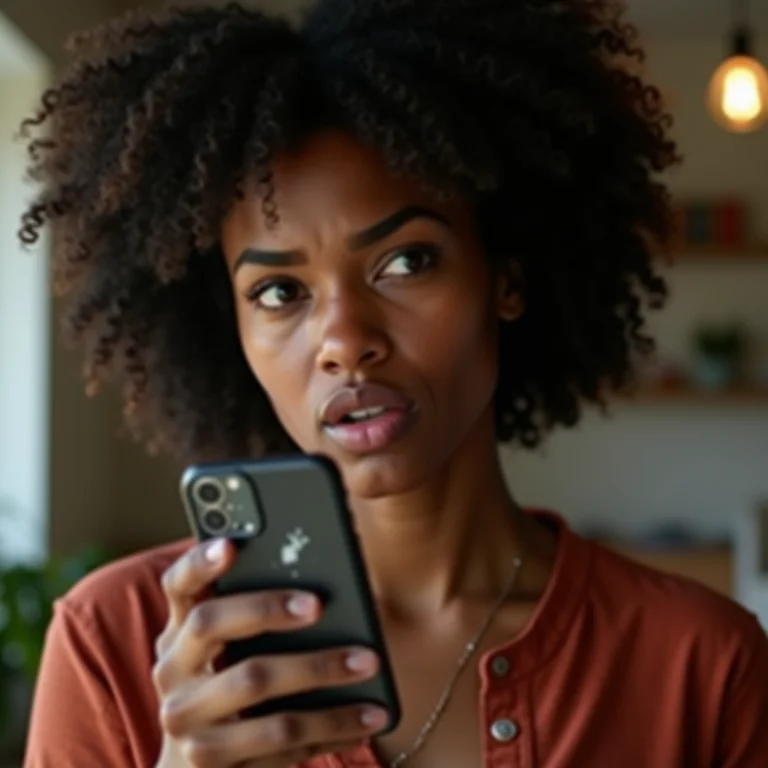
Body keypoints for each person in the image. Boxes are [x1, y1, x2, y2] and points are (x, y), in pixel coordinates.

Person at [18, 1, 768, 766]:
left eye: (406, 261)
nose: (345, 342)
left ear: (504, 278)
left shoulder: (702, 665)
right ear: (232, 332)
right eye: (280, 292)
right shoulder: (113, 642)